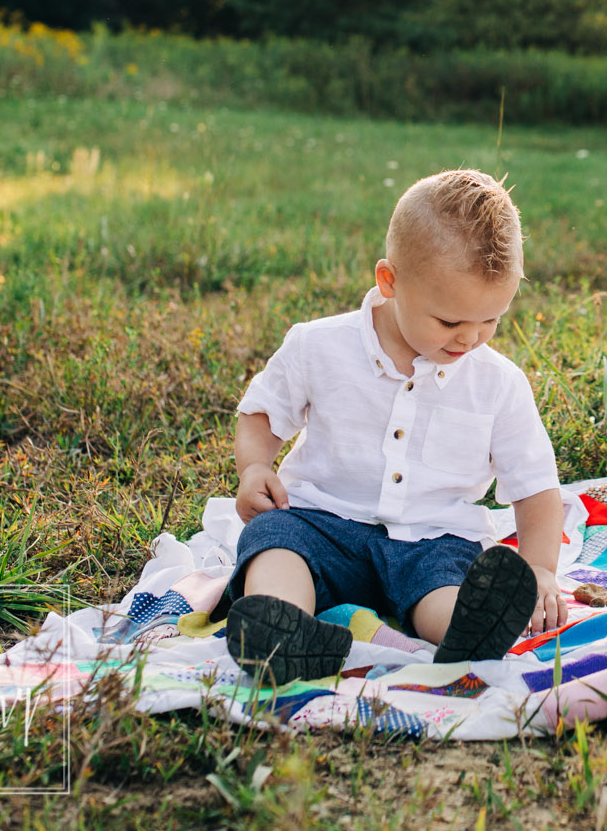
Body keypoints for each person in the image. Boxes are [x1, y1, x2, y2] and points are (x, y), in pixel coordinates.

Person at [220, 169, 565, 685]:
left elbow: (536, 490)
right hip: (322, 522)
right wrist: (254, 468)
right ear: (390, 281)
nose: (471, 338)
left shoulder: (498, 383)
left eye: (491, 320)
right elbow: (262, 415)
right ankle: (282, 630)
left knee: (448, 584)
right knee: (275, 542)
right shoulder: (319, 347)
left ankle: (467, 635)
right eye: (450, 322)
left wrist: (539, 570)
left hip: (433, 536)